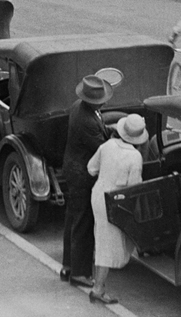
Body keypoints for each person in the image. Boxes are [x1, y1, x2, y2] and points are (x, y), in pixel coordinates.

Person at [86, 113, 148, 305]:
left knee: (102, 238)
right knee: (107, 245)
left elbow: (91, 168)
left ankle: (98, 282)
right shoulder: (135, 157)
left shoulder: (108, 145)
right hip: (115, 201)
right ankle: (98, 289)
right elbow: (133, 187)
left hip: (98, 196)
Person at [60, 75, 113, 288]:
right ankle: (80, 273)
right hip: (82, 174)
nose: (104, 103)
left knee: (73, 219)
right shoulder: (87, 121)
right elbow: (102, 148)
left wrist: (110, 131)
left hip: (73, 168)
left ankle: (68, 266)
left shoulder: (78, 107)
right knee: (83, 223)